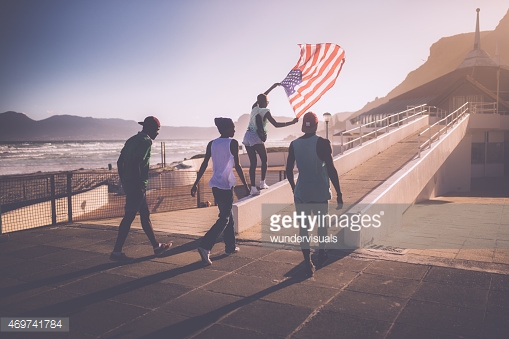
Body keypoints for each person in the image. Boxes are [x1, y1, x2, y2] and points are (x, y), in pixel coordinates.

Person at [286, 112, 343, 277]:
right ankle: (322, 253)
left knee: (304, 229)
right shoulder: (324, 143)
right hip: (319, 191)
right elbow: (331, 169)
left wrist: (293, 188)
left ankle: (308, 262)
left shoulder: (294, 144)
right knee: (321, 226)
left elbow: (288, 170)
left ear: (304, 126)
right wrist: (339, 192)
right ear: (317, 125)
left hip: (302, 192)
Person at [110, 116, 172, 261]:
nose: (158, 133)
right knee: (129, 217)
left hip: (131, 185)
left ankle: (157, 247)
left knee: (145, 216)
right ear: (150, 128)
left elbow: (120, 162)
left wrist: (124, 181)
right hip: (138, 186)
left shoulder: (131, 140)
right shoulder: (146, 142)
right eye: (157, 130)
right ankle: (116, 252)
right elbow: (137, 163)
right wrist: (137, 185)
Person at [191, 117, 249, 265]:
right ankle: (205, 246)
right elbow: (238, 166)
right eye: (232, 127)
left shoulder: (212, 143)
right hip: (225, 185)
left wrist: (195, 183)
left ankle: (230, 247)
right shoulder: (233, 143)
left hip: (216, 185)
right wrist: (247, 185)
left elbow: (204, 164)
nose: (235, 130)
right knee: (224, 219)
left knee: (228, 215)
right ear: (225, 129)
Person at [242, 83, 299, 196]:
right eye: (267, 101)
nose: (267, 103)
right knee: (264, 160)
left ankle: (253, 188)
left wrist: (272, 87)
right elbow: (276, 124)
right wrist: (291, 122)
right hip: (256, 137)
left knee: (253, 163)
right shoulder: (265, 111)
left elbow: (262, 96)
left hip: (247, 136)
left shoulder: (254, 108)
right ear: (264, 103)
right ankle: (263, 183)